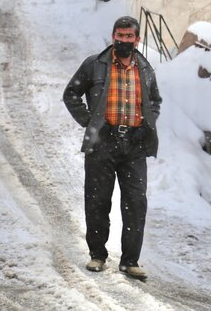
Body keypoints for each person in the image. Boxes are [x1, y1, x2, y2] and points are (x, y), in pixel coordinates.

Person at [62, 16, 162, 280]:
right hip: (102, 145)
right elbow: (70, 94)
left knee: (135, 204)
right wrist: (91, 122)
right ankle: (97, 255)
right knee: (97, 202)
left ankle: (130, 261)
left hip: (134, 146)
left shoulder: (146, 68)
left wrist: (146, 125)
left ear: (137, 39)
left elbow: (155, 101)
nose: (124, 41)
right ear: (113, 36)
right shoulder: (95, 65)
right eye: (120, 35)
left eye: (129, 36)